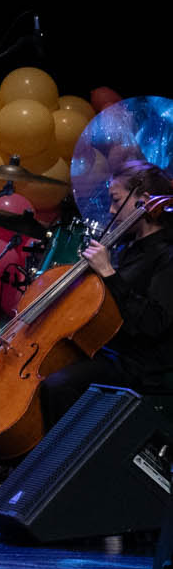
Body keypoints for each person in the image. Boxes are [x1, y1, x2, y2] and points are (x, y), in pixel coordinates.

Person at [36, 163, 173, 427]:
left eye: (116, 200)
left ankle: (72, 454)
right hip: (108, 350)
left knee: (59, 386)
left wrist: (109, 273)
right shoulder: (125, 247)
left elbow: (154, 322)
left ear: (144, 201)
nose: (111, 210)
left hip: (140, 364)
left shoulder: (166, 255)